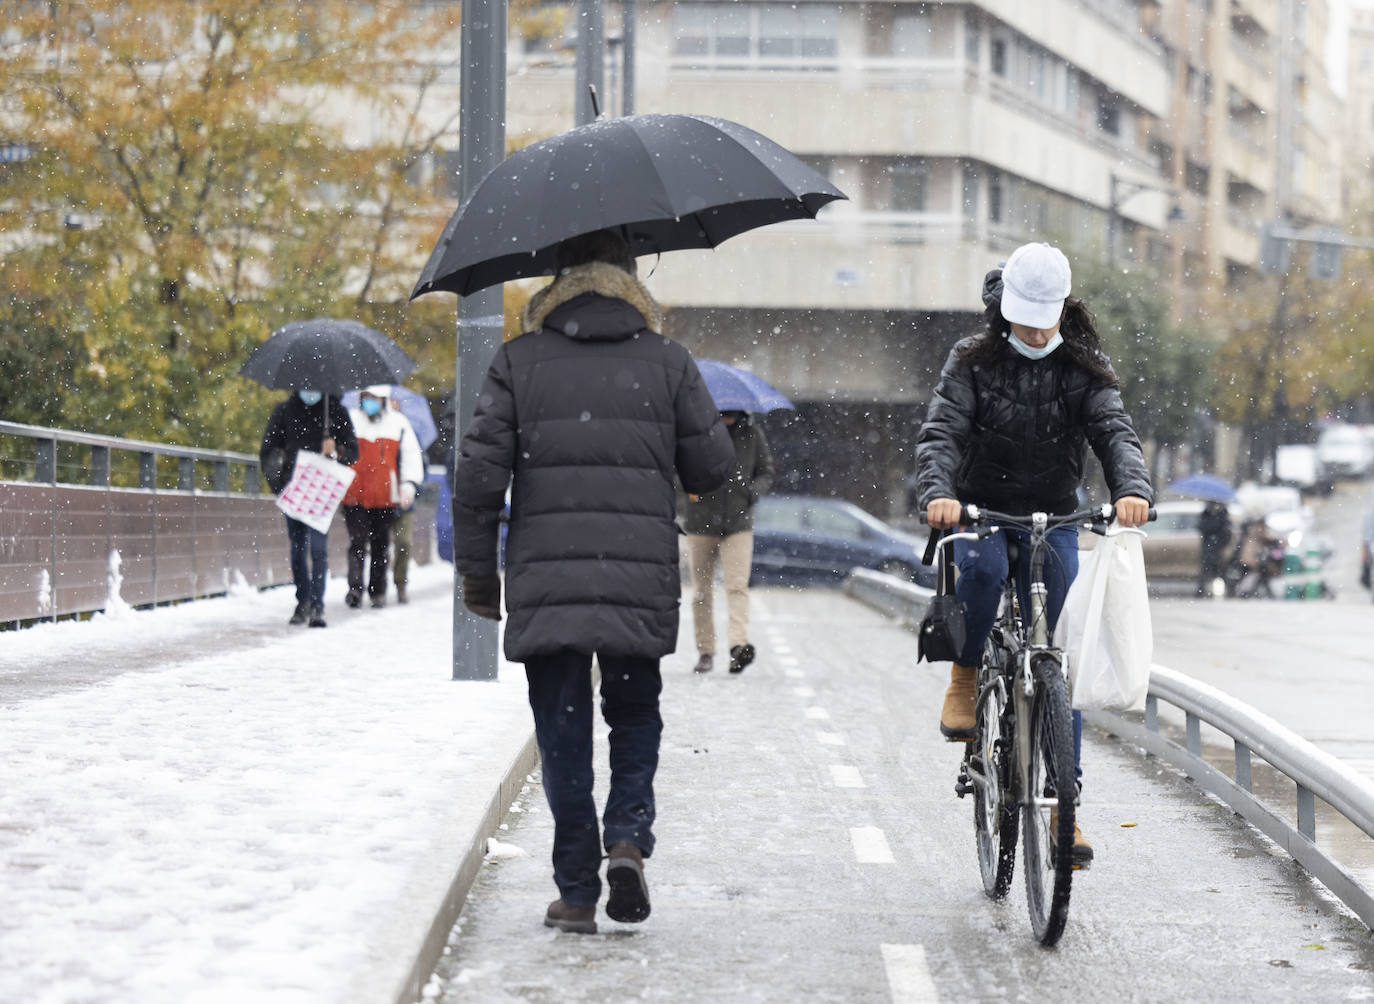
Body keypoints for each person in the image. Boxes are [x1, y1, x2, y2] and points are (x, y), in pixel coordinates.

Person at [452, 228, 733, 934]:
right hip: (637, 575)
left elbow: (479, 481)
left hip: (547, 577)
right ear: (632, 280)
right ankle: (628, 839)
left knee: (563, 733)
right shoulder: (668, 362)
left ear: (557, 281)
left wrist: (480, 578)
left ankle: (577, 891)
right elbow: (712, 472)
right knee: (635, 716)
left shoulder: (518, 361)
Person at [915, 241, 1153, 867]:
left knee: (1059, 664)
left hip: (1054, 510)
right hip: (981, 508)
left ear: (1062, 310)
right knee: (987, 570)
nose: (1037, 331)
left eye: (1046, 319)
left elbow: (1114, 430)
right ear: (1006, 312)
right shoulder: (972, 360)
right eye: (1025, 319)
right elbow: (942, 432)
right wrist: (939, 492)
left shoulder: (1082, 364)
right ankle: (966, 672)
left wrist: (1131, 488)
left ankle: (1062, 809)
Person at [681, 410, 775, 674]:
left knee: (737, 586)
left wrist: (751, 492)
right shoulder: (698, 436)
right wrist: (689, 494)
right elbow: (679, 468)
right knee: (701, 591)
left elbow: (767, 471)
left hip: (738, 523)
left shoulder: (752, 435)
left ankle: (737, 647)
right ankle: (706, 651)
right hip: (700, 522)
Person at [259, 389, 359, 628]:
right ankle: (302, 600)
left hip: (320, 491)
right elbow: (269, 448)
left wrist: (335, 451)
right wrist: (279, 485)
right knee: (297, 548)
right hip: (293, 490)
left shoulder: (335, 411)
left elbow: (353, 450)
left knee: (318, 548)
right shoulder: (284, 411)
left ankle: (317, 604)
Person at [340, 385, 424, 610]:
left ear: (383, 400)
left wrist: (408, 484)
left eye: (374, 398)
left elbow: (410, 456)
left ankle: (378, 591)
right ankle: (355, 589)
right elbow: (340, 452)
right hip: (354, 493)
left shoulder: (398, 423)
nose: (370, 402)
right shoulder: (350, 419)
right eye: (366, 398)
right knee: (357, 542)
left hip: (384, 494)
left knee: (380, 544)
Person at [1196, 500, 1233, 598]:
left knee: (1221, 572)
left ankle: (1228, 592)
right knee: (1206, 572)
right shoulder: (1206, 515)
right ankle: (1201, 591)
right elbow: (1201, 527)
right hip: (1208, 549)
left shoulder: (1223, 517)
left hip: (1219, 549)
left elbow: (1227, 534)